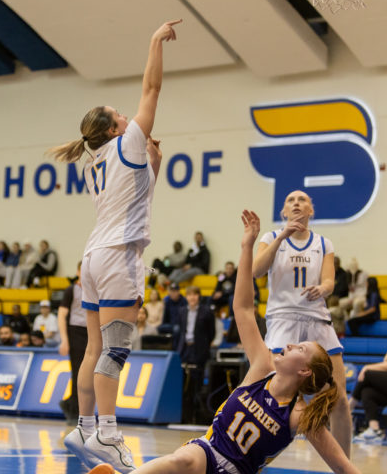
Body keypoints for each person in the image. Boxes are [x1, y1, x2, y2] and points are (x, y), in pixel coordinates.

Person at [88, 210, 358, 474]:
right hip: (206, 453)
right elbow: (242, 309)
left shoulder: (299, 415)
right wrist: (246, 246)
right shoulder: (262, 368)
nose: (289, 345)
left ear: (304, 371)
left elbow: (342, 466)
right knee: (182, 460)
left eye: (300, 348)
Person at [51, 19, 180, 473]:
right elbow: (152, 88)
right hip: (120, 256)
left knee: (92, 350)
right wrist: (154, 41)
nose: (129, 115)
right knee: (115, 350)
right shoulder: (127, 141)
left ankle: (86, 428)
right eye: (119, 115)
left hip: (92, 259)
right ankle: (108, 434)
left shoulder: (94, 163)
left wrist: (155, 163)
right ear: (112, 130)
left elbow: (134, 197)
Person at [252, 190, 351, 457]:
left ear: (311, 211)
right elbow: (255, 270)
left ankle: (345, 466)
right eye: (291, 200)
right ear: (284, 212)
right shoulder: (271, 238)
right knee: (271, 398)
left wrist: (323, 288)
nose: (297, 203)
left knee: (339, 398)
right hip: (283, 319)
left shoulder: (323, 243)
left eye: (303, 200)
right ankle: (256, 458)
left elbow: (330, 281)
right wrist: (283, 235)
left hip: (316, 318)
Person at [177, 286, 215, 424]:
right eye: (189, 295)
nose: (192, 298)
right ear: (186, 297)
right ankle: (185, 414)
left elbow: (211, 333)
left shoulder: (207, 312)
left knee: (197, 381)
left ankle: (197, 414)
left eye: (194, 295)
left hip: (199, 349)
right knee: (184, 382)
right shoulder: (181, 311)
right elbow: (181, 331)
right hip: (185, 348)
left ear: (199, 296)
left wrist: (203, 345)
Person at [58, 262, 88, 423]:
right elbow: (61, 315)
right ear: (77, 272)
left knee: (87, 374)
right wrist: (64, 340)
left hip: (90, 333)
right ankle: (74, 411)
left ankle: (69, 403)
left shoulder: (95, 290)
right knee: (77, 373)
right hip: (75, 332)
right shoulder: (71, 290)